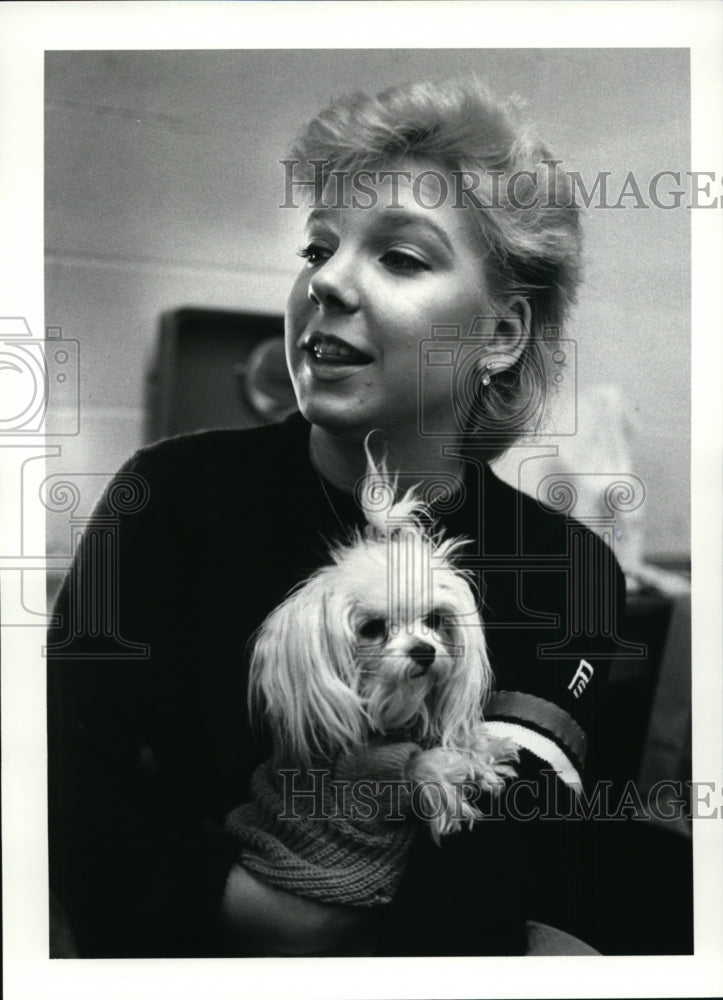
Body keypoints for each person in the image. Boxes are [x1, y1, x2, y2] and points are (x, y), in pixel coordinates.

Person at [47, 76, 625, 958]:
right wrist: (246, 914)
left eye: (398, 257)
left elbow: (506, 847)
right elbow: (62, 793)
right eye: (317, 248)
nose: (327, 282)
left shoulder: (569, 569)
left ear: (501, 335)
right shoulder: (166, 496)